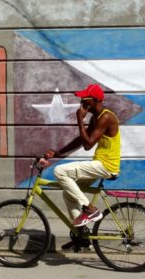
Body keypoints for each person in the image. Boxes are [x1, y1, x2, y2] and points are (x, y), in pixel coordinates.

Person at [43, 84, 121, 231]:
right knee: (69, 194)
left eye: (85, 98)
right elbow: (81, 140)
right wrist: (58, 153)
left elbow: (88, 145)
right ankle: (82, 236)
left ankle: (89, 209)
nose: (82, 102)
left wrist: (80, 120)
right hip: (99, 164)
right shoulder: (96, 118)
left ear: (96, 100)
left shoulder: (106, 117)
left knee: (60, 171)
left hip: (106, 166)